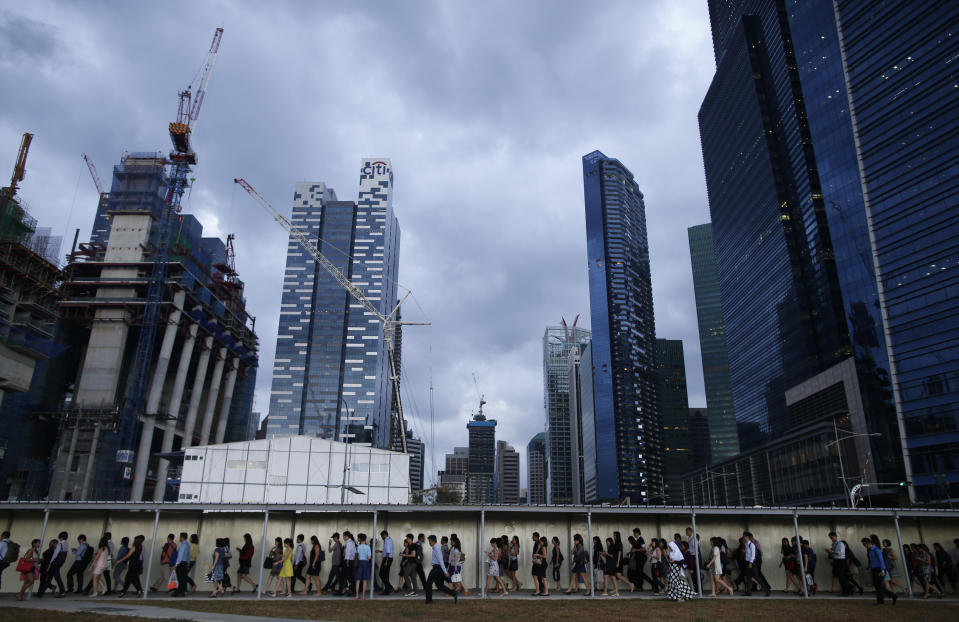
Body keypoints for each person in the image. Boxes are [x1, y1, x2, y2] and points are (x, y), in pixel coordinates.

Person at [423, 534, 457, 604]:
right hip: (437, 568)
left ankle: (429, 601)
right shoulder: (435, 548)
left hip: (437, 568)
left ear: (433, 541)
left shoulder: (437, 548)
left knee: (428, 584)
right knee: (439, 585)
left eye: (429, 541)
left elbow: (441, 561)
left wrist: (445, 572)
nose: (429, 542)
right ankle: (453, 593)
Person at [861, 537, 897, 605]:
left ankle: (881, 601)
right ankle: (892, 595)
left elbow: (881, 560)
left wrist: (883, 570)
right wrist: (870, 568)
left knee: (879, 585)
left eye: (864, 544)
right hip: (875, 569)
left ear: (868, 543)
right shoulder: (870, 550)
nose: (864, 545)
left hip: (879, 569)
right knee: (878, 585)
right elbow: (872, 561)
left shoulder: (876, 550)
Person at [665, 534, 696, 601]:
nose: (670, 548)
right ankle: (675, 596)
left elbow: (681, 562)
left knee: (678, 584)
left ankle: (682, 596)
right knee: (673, 583)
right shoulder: (671, 554)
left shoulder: (678, 553)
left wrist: (674, 561)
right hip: (672, 571)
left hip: (677, 571)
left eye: (670, 547)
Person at [825, 532, 852, 596]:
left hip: (841, 561)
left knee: (842, 577)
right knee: (839, 576)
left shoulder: (840, 543)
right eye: (830, 538)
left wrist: (832, 551)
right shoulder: (834, 544)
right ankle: (847, 589)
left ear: (835, 536)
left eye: (832, 538)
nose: (831, 539)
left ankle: (847, 590)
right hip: (836, 560)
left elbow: (840, 553)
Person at [172, 532, 191, 597]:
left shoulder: (183, 545)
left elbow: (180, 555)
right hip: (185, 563)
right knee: (183, 577)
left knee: (180, 578)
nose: (179, 538)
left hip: (181, 563)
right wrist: (188, 562)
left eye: (180, 537)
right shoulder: (188, 544)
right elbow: (188, 555)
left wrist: (176, 564)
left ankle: (179, 591)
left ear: (182, 537)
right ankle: (183, 591)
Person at [355, 533, 372, 600]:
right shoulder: (368, 547)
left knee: (358, 580)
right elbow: (369, 557)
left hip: (359, 562)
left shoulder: (358, 547)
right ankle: (363, 596)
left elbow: (356, 556)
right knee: (364, 580)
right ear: (365, 539)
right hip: (366, 563)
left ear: (360, 539)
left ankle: (356, 596)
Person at [377, 530, 394, 595]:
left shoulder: (387, 541)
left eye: (382, 536)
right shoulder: (390, 540)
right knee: (385, 575)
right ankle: (387, 589)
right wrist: (380, 551)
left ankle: (389, 587)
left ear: (384, 535)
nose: (381, 537)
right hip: (388, 558)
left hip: (387, 559)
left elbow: (388, 552)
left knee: (382, 574)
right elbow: (386, 551)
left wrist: (386, 561)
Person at [342, 531, 357, 596]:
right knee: (350, 576)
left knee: (348, 576)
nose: (343, 538)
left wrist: (347, 561)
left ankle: (349, 590)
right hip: (351, 560)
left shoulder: (349, 543)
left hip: (348, 560)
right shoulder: (352, 542)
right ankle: (350, 590)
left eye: (343, 536)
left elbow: (348, 552)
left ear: (346, 536)